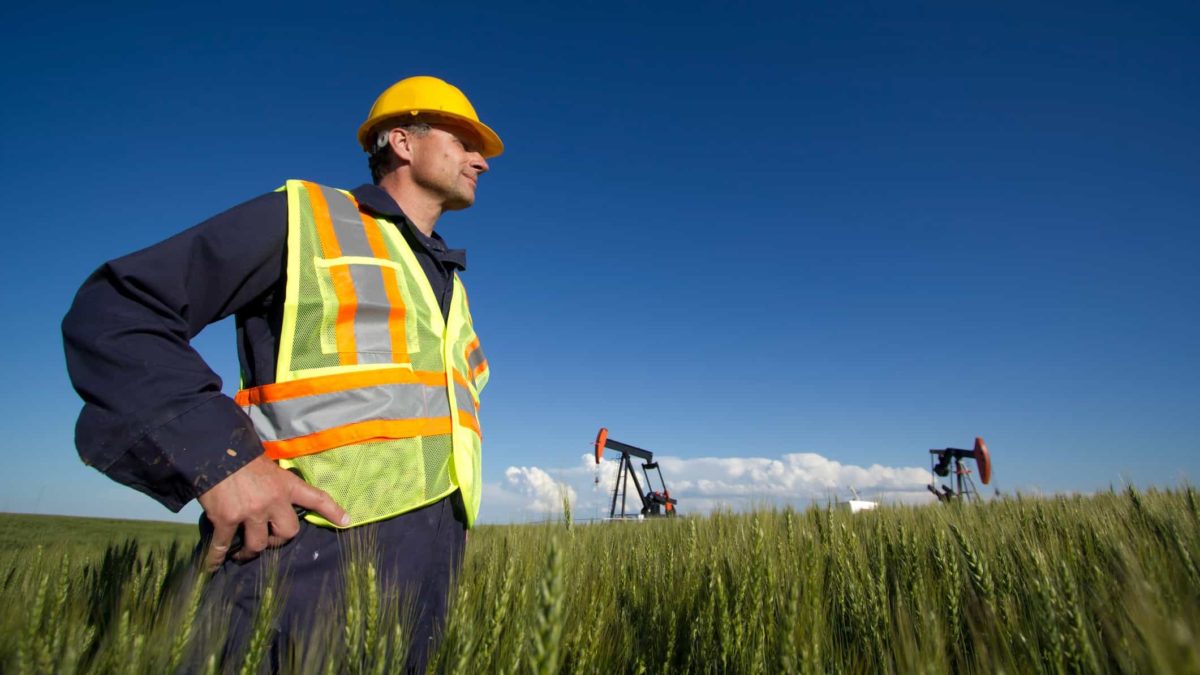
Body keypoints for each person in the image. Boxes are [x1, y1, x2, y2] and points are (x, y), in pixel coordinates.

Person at [62, 75, 500, 671]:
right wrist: (224, 461)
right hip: (303, 564)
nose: (482, 159)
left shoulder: (450, 286)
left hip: (428, 570)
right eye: (466, 139)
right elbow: (119, 312)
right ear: (402, 140)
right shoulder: (310, 220)